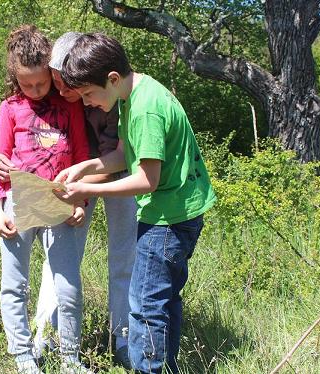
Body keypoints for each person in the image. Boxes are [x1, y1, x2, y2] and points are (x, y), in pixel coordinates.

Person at [54, 33, 216, 374]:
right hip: (177, 211)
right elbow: (127, 154)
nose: (85, 103)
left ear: (111, 79)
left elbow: (146, 179)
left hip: (166, 220)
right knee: (164, 301)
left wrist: (88, 188)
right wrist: (88, 166)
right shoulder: (134, 92)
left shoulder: (144, 109)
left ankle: (149, 368)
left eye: (87, 94)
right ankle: (166, 368)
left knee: (144, 306)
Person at [0, 32, 137, 369]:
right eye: (37, 84)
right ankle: (35, 345)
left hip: (96, 180)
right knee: (34, 278)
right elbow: (2, 152)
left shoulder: (102, 95)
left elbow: (104, 154)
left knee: (104, 265)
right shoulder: (21, 101)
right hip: (32, 195)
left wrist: (79, 199)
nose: (47, 90)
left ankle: (111, 342)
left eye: (52, 84)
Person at [0, 25, 92, 374]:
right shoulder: (10, 108)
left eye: (40, 82)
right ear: (14, 77)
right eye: (26, 83)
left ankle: (70, 359)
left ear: (51, 73)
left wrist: (80, 202)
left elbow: (81, 153)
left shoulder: (69, 106)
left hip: (60, 203)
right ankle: (22, 355)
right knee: (14, 284)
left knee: (68, 287)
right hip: (17, 203)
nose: (34, 90)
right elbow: (0, 162)